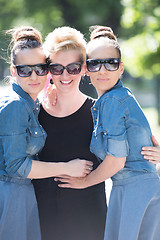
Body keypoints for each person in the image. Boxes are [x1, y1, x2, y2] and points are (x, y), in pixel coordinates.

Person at [56, 26, 160, 240]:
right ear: (86, 69)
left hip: (133, 191)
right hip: (142, 189)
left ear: (121, 68)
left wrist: (84, 182)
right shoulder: (119, 97)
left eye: (110, 63)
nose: (102, 71)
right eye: (95, 63)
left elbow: (116, 161)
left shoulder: (112, 101)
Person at [0, 26, 93, 240]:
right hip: (11, 198)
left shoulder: (30, 104)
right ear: (14, 71)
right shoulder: (15, 106)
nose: (34, 76)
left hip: (24, 197)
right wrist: (67, 168)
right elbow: (16, 167)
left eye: (41, 69)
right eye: (25, 70)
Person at [32, 26, 107, 240]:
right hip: (44, 221)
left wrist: (153, 153)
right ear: (48, 70)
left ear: (84, 69)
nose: (65, 75)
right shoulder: (34, 113)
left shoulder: (99, 112)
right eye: (57, 68)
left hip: (90, 222)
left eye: (73, 68)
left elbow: (125, 154)